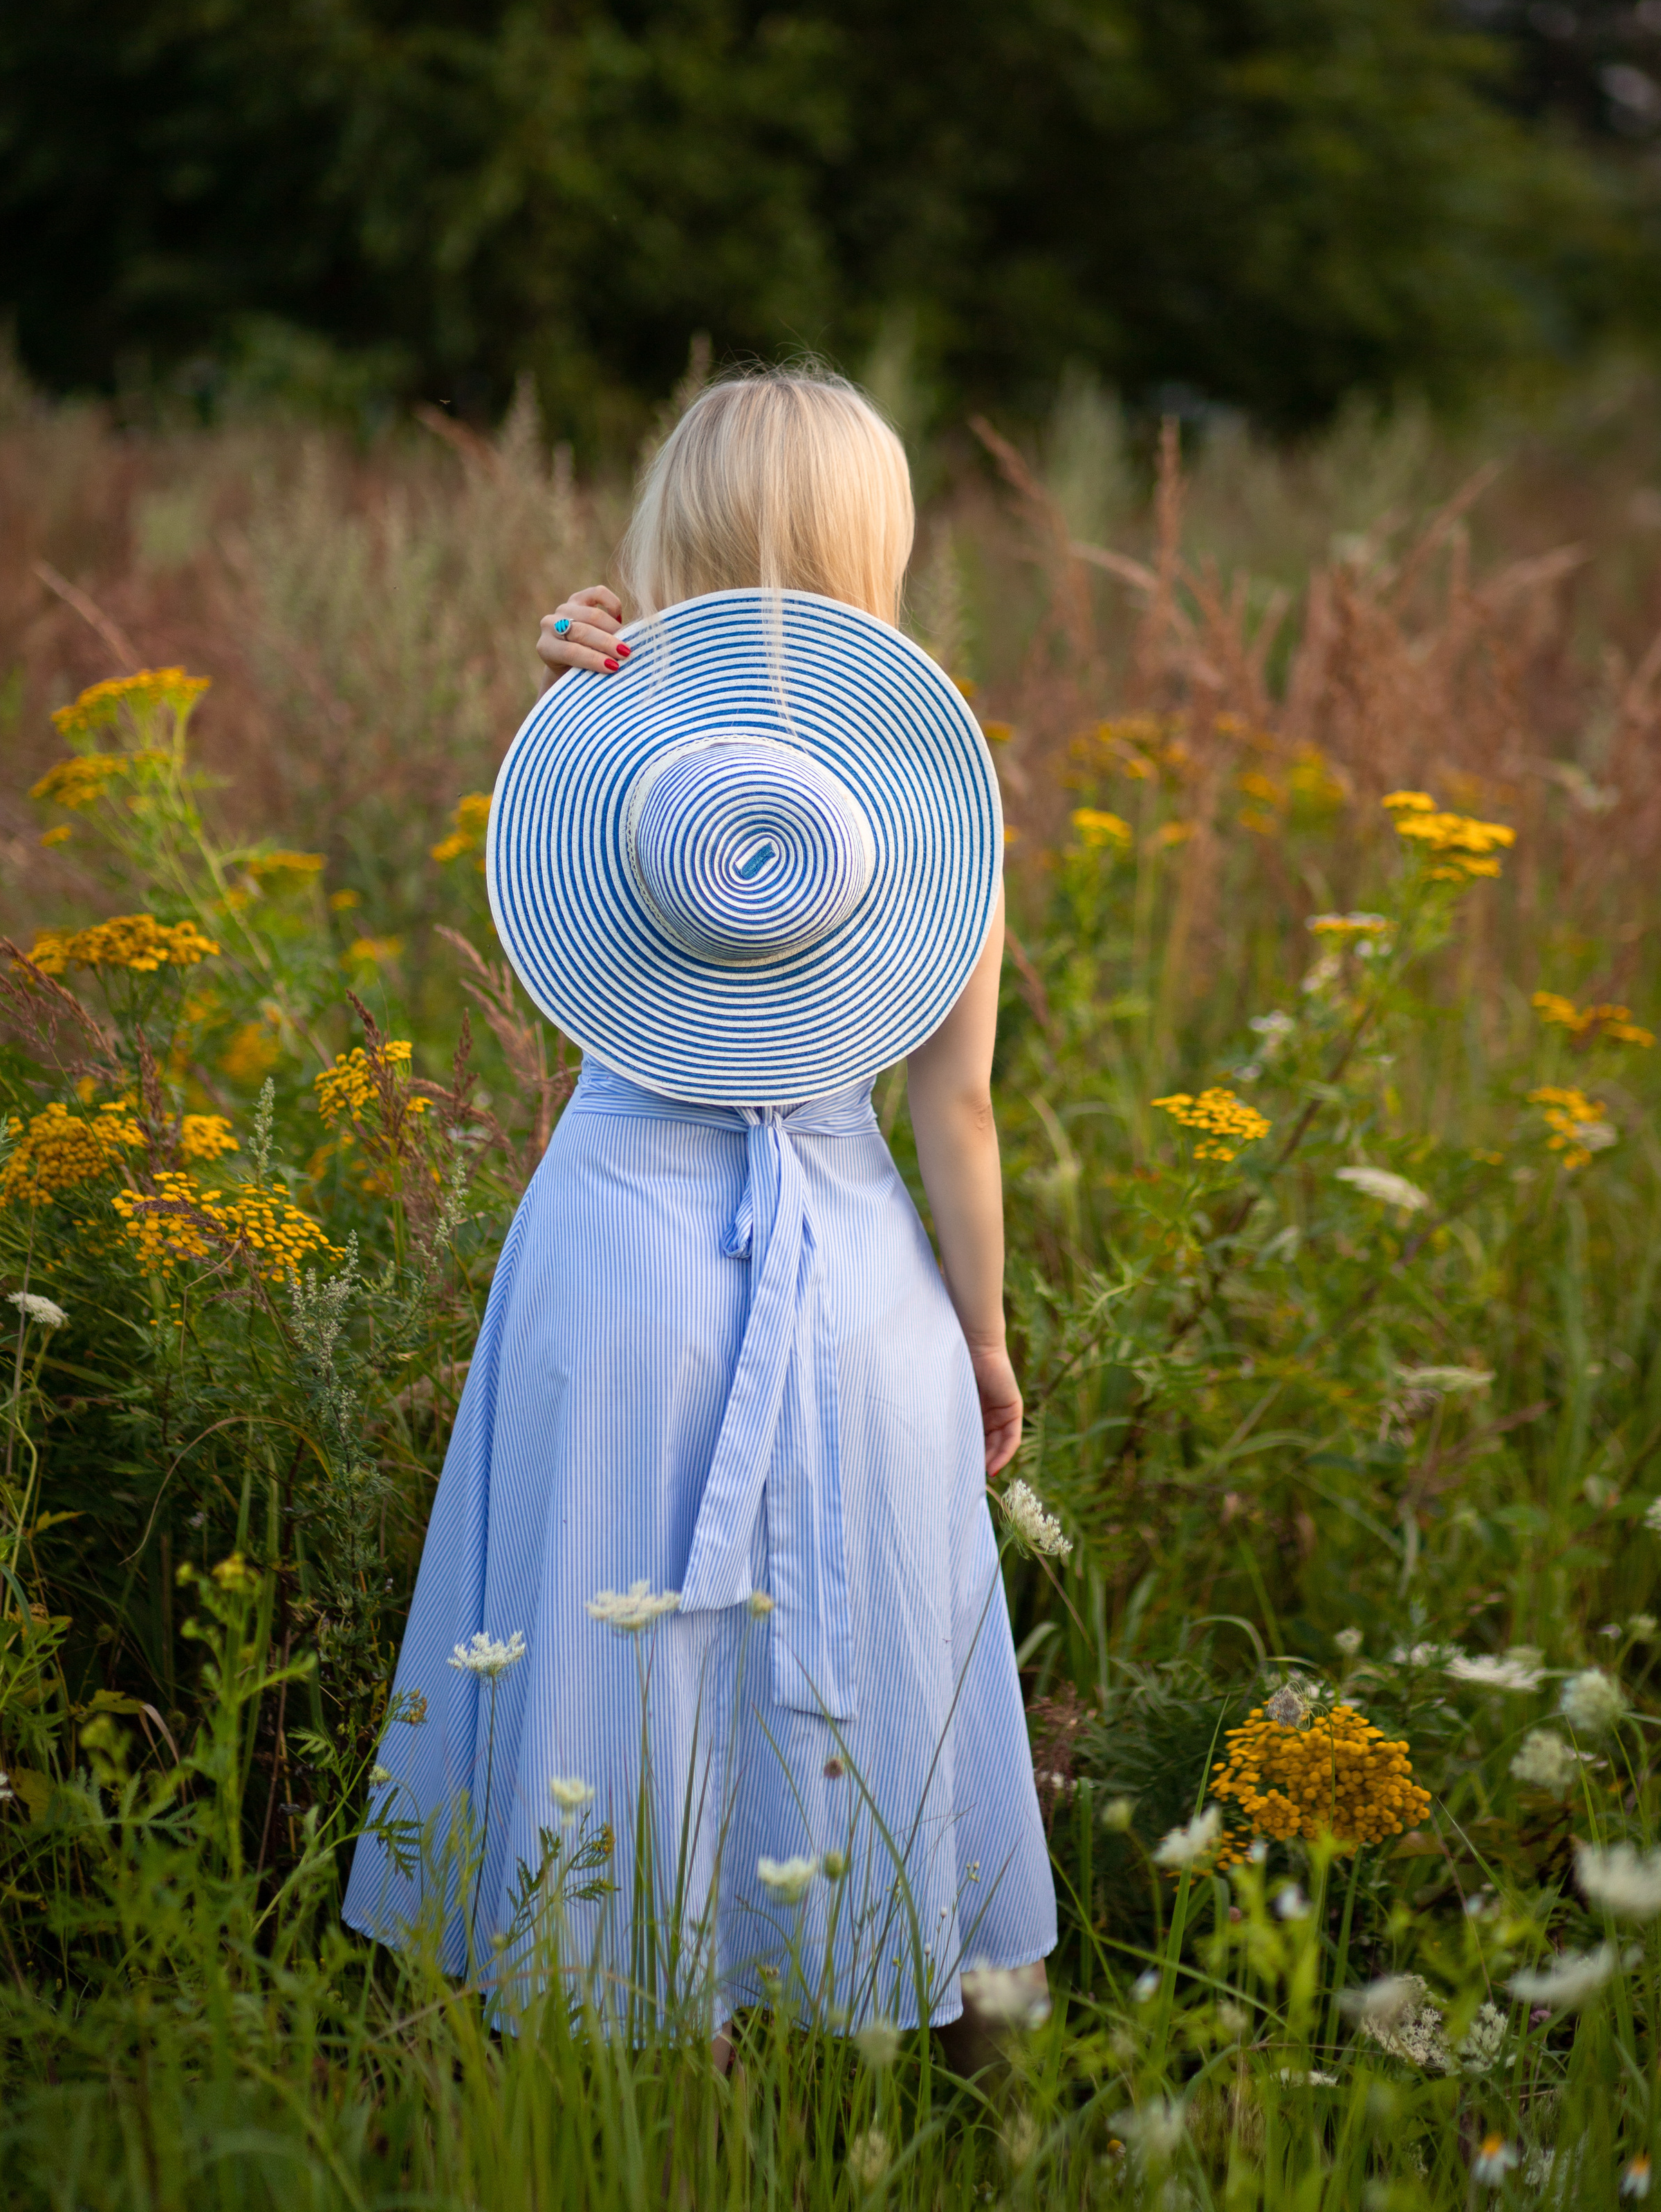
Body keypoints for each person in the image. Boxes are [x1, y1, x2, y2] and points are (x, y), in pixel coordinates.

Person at [343, 369, 1055, 2051]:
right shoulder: (926, 784)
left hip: (614, 1261)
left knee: (612, 1657)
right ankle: (910, 2023)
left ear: (672, 517)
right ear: (880, 533)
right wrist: (981, 1334)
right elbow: (955, 1100)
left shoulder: (608, 733)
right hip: (856, 1282)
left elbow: (566, 923)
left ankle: (617, 2031)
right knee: (879, 1643)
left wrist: (567, 706)